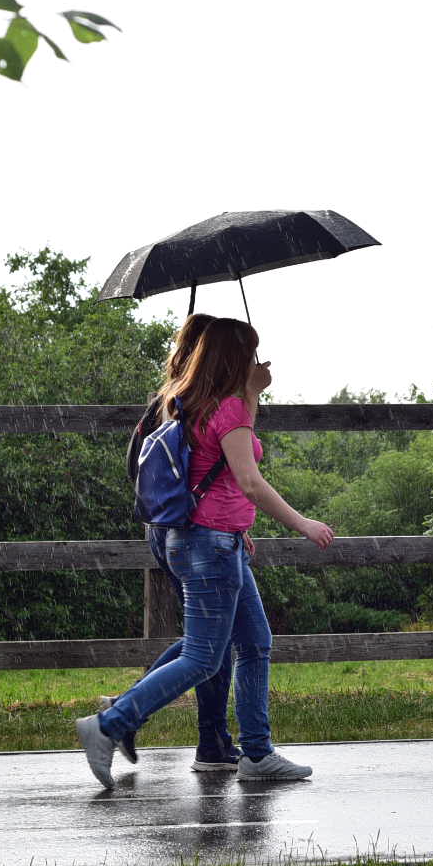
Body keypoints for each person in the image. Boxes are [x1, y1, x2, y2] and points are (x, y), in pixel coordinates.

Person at [77, 317, 334, 787]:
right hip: (210, 546)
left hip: (215, 541)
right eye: (251, 353)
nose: (257, 361)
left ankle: (256, 754)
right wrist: (302, 523)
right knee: (202, 657)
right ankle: (109, 725)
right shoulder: (229, 407)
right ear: (235, 357)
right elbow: (249, 480)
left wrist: (250, 396)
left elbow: (214, 467)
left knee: (254, 643)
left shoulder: (191, 402)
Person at [107, 313, 243, 771]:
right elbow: (223, 467)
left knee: (209, 642)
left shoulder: (166, 398)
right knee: (206, 646)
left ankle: (212, 740)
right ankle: (127, 713)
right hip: (193, 529)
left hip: (167, 527)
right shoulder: (192, 401)